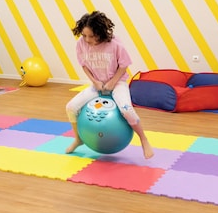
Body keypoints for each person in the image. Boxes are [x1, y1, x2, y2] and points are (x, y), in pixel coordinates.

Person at [65, 10, 155, 159]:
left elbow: (124, 65)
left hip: (117, 82)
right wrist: (95, 81)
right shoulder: (81, 44)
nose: (87, 39)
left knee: (127, 110)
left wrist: (113, 82)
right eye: (84, 35)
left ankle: (143, 140)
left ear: (100, 33)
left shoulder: (114, 43)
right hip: (98, 84)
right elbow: (84, 65)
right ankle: (78, 139)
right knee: (70, 107)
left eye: (91, 36)